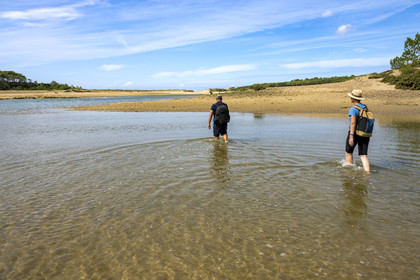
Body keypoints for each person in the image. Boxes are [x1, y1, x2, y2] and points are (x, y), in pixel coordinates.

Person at [345, 89, 370, 172]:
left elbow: (353, 123)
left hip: (355, 133)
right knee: (363, 155)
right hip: (364, 133)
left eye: (351, 97)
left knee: (349, 152)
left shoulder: (353, 109)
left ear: (353, 99)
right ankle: (367, 173)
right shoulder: (365, 108)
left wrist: (351, 136)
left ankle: (349, 171)